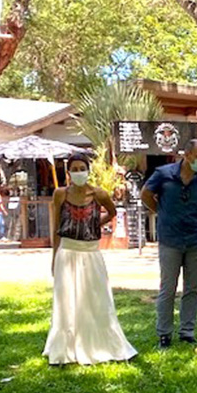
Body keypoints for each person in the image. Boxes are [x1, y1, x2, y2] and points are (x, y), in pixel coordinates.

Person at [44, 153, 137, 365]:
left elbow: (112, 212)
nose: (78, 173)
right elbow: (56, 227)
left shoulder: (99, 194)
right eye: (74, 169)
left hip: (91, 252)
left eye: (81, 168)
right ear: (68, 173)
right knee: (66, 301)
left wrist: (95, 223)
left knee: (97, 300)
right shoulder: (60, 194)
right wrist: (54, 255)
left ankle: (101, 344)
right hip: (67, 251)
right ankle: (65, 348)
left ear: (88, 170)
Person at [141, 139, 197, 348]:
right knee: (168, 288)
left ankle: (187, 331)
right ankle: (164, 333)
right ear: (187, 155)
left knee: (192, 288)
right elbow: (146, 194)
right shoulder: (163, 174)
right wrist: (160, 212)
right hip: (170, 240)